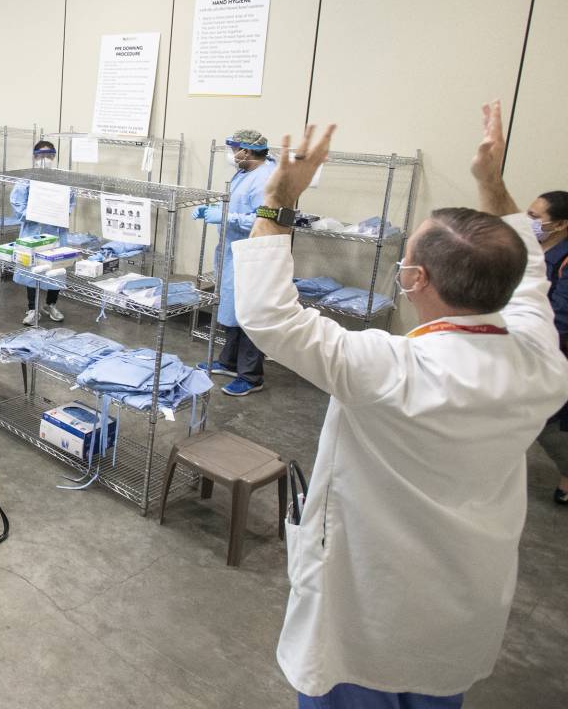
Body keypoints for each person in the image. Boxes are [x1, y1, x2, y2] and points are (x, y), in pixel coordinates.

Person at [232, 104, 568, 709]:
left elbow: (268, 316)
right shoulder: (542, 364)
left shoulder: (388, 369)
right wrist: (492, 185)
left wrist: (278, 197)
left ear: (413, 281)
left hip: (367, 615)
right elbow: (532, 273)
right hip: (460, 611)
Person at [193, 129, 277, 396]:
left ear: (247, 151)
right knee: (233, 308)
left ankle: (252, 376)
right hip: (234, 252)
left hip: (252, 255)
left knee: (250, 313)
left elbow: (265, 218)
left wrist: (226, 216)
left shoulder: (265, 179)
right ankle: (229, 361)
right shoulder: (245, 171)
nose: (232, 156)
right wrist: (217, 210)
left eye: (234, 151)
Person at [527, 189, 568, 503]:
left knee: (550, 419)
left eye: (536, 217)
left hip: (553, 347)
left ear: (561, 224)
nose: (530, 222)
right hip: (532, 343)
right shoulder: (536, 249)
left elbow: (561, 318)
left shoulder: (564, 261)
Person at [13, 140, 67, 326]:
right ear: (35, 156)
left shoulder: (61, 178)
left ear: (54, 157)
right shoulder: (27, 178)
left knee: (56, 268)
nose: (46, 159)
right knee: (32, 269)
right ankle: (32, 309)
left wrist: (58, 212)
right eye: (41, 155)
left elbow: (70, 201)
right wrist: (31, 214)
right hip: (32, 230)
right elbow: (17, 202)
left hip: (54, 231)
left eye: (49, 155)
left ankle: (50, 304)